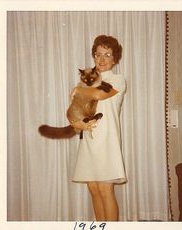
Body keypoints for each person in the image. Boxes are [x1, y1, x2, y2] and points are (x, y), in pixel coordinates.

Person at [70, 35, 127, 221]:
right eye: (98, 54)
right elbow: (75, 108)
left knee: (105, 187)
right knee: (93, 187)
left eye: (107, 54)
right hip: (89, 137)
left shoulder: (117, 80)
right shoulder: (88, 81)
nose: (102, 59)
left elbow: (99, 95)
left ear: (115, 58)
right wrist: (77, 123)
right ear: (94, 56)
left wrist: (78, 90)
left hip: (107, 139)